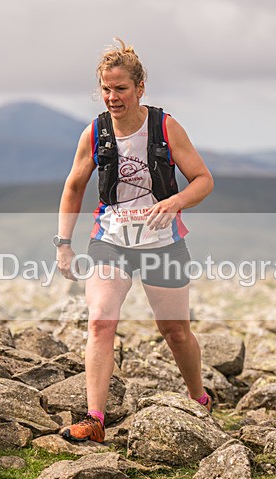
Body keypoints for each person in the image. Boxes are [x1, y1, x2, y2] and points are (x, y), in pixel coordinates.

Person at [55, 39, 214, 444]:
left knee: (175, 331)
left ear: (140, 88)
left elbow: (203, 180)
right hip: (110, 240)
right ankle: (94, 420)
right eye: (106, 89)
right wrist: (63, 243)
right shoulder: (95, 132)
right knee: (100, 320)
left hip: (162, 242)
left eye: (121, 88)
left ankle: (199, 400)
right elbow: (74, 187)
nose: (112, 97)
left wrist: (175, 202)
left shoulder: (165, 127)